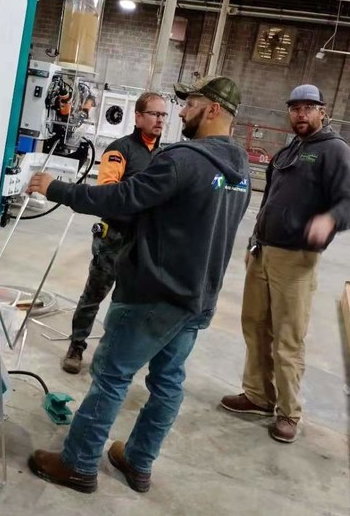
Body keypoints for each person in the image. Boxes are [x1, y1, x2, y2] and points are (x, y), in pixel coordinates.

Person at [26, 76, 250, 494]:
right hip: (197, 299)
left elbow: (120, 199)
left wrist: (56, 188)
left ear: (213, 109)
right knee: (168, 384)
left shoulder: (183, 160)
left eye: (190, 104)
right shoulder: (241, 173)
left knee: (111, 377)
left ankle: (78, 464)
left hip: (153, 295)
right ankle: (138, 461)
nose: (180, 113)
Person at [221, 84, 350, 444]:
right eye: (295, 108)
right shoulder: (289, 150)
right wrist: (255, 238)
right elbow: (268, 200)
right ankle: (258, 395)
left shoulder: (335, 151)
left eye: (308, 108)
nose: (300, 113)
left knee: (288, 337)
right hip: (264, 251)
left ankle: (288, 411)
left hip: (297, 259)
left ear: (322, 112)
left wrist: (330, 220)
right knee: (255, 326)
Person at [62, 91, 167, 374]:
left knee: (130, 303)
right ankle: (76, 345)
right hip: (114, 238)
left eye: (163, 115)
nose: (160, 120)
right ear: (138, 117)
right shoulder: (120, 150)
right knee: (94, 295)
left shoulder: (165, 156)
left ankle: (115, 355)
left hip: (144, 242)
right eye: (154, 114)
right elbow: (108, 193)